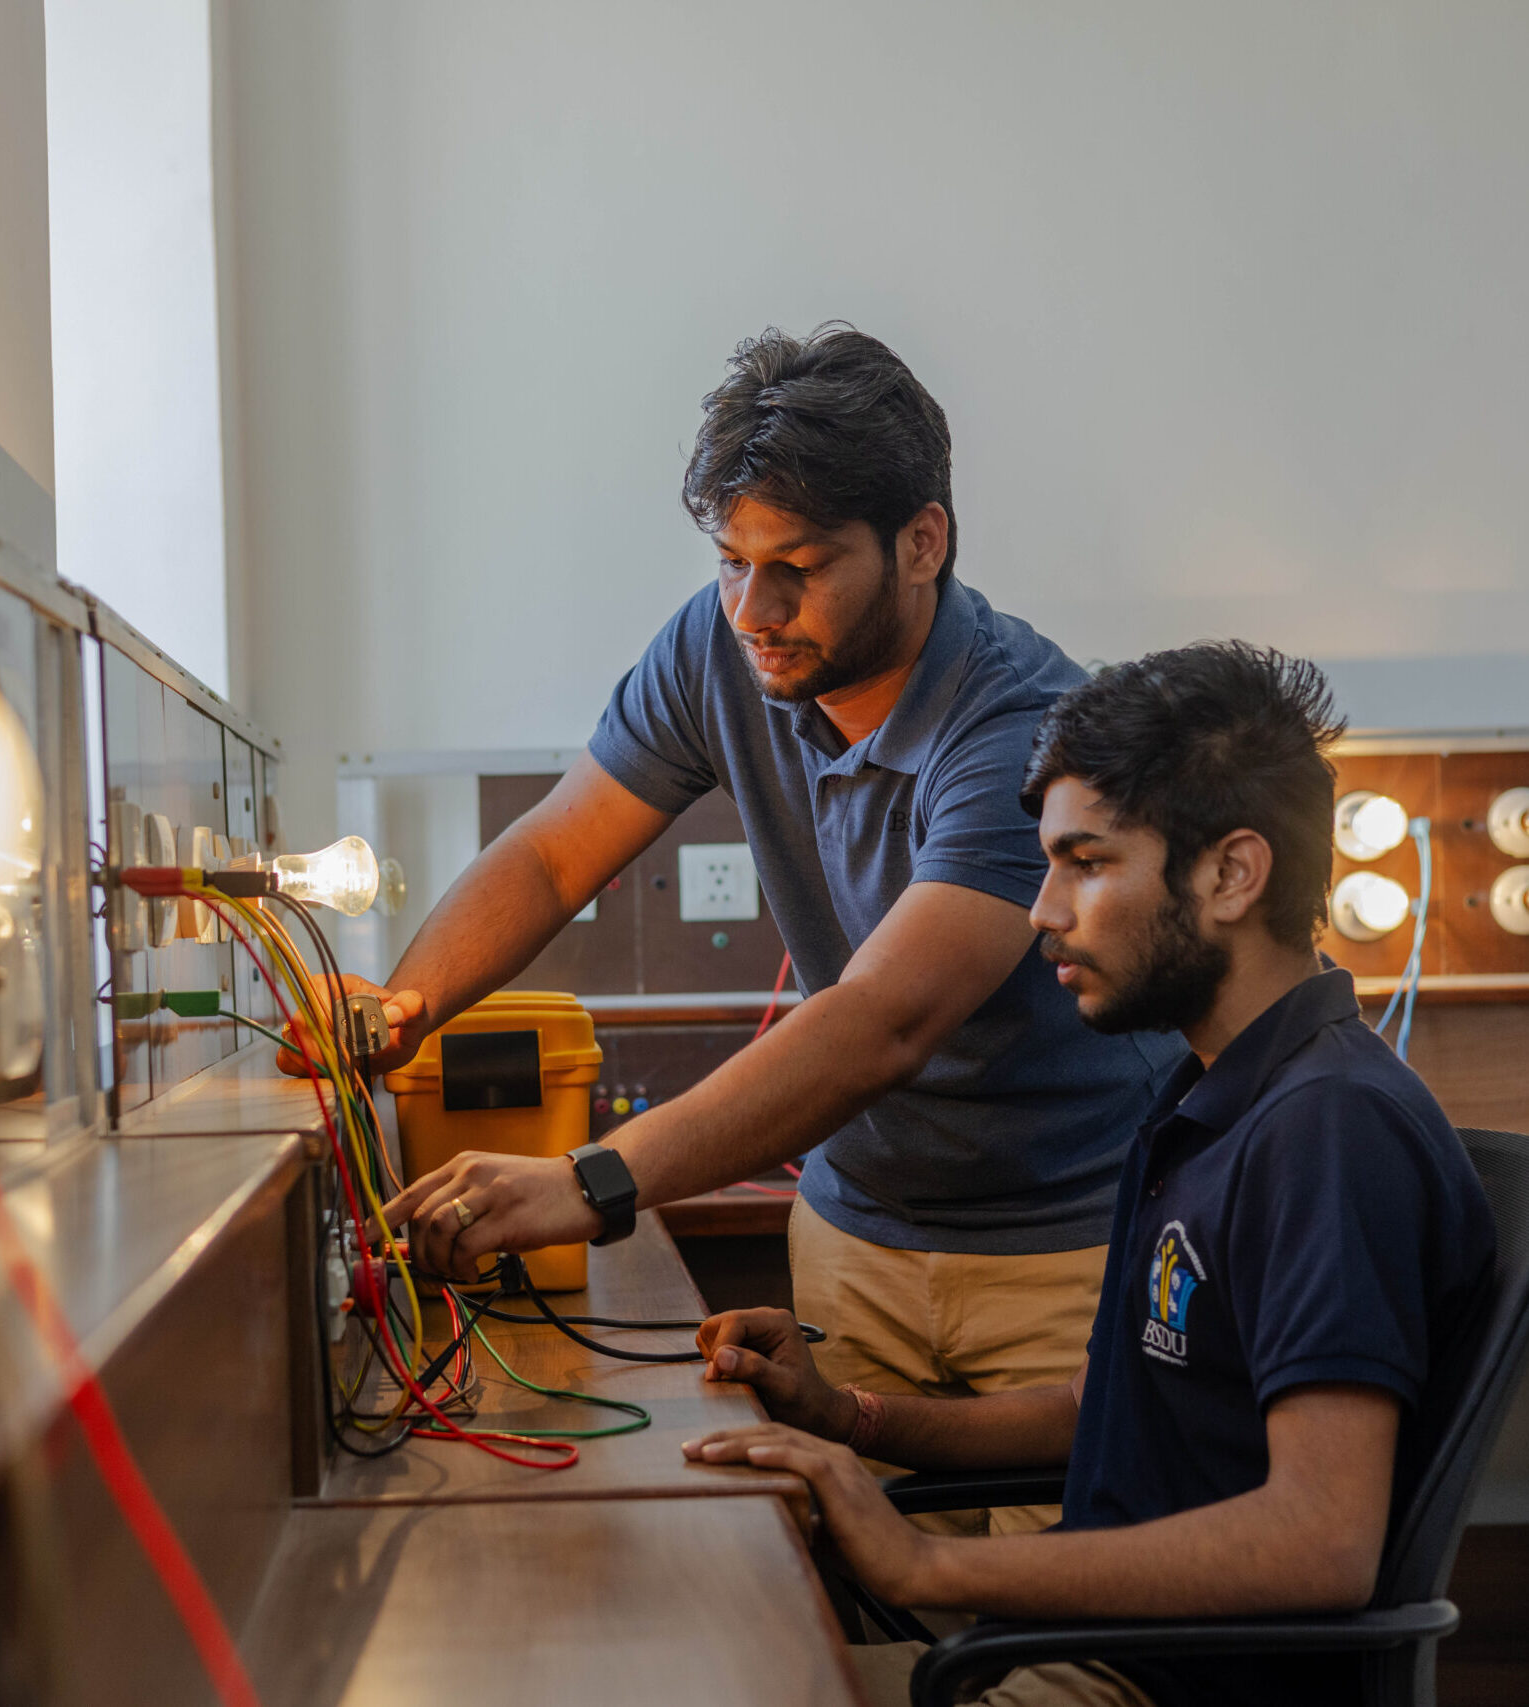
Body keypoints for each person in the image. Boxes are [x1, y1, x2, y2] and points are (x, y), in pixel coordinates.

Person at [289, 325, 1179, 1527]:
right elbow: (556, 854)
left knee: (1052, 1642)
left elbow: (884, 1020)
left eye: (800, 565)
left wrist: (589, 1183)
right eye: (730, 561)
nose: (754, 609)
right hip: (857, 1241)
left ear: (923, 542)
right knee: (861, 1602)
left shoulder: (1020, 724)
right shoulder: (718, 647)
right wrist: (398, 1013)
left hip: (1064, 1252)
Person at [681, 641, 1496, 1707]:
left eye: (1089, 862)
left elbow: (1320, 1542)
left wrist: (923, 1563)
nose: (1042, 910)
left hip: (1151, 1681)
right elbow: (1102, 1407)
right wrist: (848, 1418)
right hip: (1078, 1650)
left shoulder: (1326, 1133)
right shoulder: (1207, 1094)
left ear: (1232, 874)